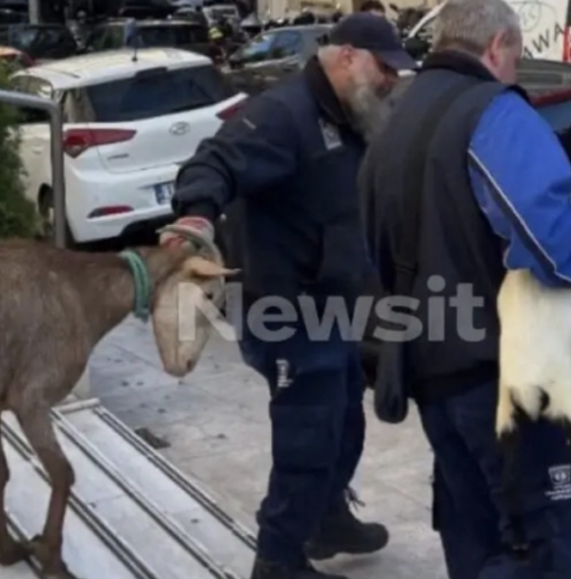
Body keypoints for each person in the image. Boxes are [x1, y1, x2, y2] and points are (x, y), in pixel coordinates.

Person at [160, 13, 417, 579]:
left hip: (329, 305)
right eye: (384, 69)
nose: (391, 81)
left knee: (344, 417)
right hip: (283, 307)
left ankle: (325, 517)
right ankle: (277, 556)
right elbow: (214, 161)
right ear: (348, 56)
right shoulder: (285, 113)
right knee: (307, 430)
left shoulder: (349, 112)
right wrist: (197, 214)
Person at [359, 0, 571, 578]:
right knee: (545, 546)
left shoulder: (392, 117)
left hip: (429, 371)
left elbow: (374, 249)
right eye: (516, 58)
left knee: (472, 536)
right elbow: (560, 254)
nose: (515, 70)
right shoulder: (494, 114)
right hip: (501, 378)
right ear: (497, 47)